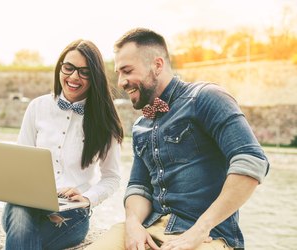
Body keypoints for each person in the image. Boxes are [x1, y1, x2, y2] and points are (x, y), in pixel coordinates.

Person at [87, 28, 269, 250]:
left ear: (157, 65)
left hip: (208, 235)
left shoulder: (207, 97)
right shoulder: (140, 125)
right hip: (149, 228)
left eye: (127, 71)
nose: (121, 82)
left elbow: (251, 161)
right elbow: (139, 186)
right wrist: (133, 224)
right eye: (119, 73)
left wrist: (199, 230)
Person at [1, 39, 124, 250]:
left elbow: (112, 178)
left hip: (71, 212)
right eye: (69, 68)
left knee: (22, 237)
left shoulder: (105, 120)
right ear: (60, 68)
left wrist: (86, 198)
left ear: (94, 77)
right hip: (26, 205)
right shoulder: (37, 107)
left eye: (84, 72)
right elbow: (20, 161)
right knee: (20, 213)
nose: (74, 76)